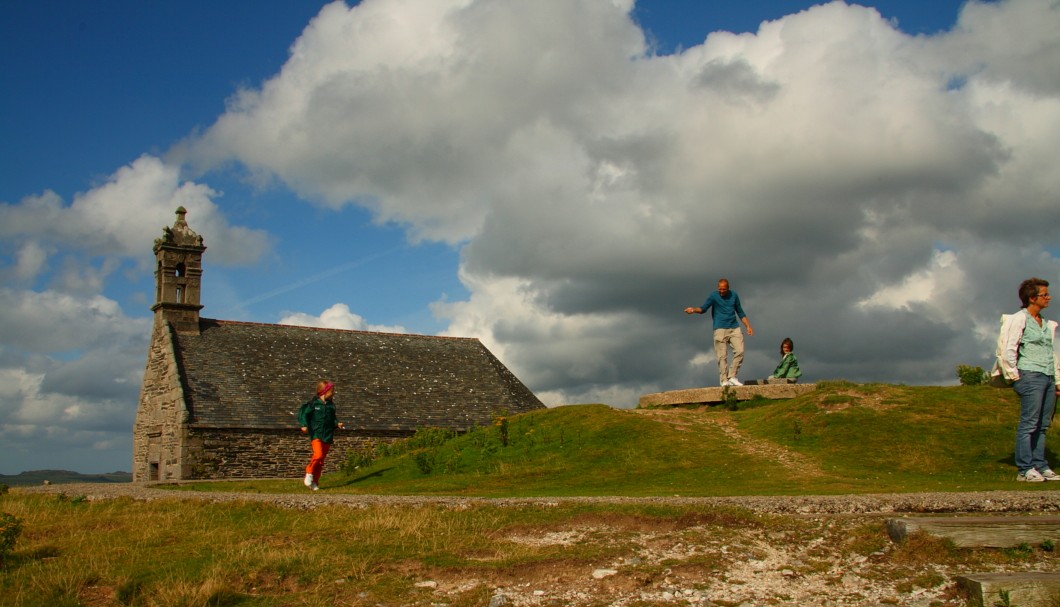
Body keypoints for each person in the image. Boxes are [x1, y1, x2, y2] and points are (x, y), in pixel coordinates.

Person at [993, 278, 1059, 482]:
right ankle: (1025, 469)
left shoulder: (1047, 324)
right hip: (1030, 375)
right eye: (1044, 294)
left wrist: (1057, 379)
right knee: (1029, 423)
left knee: (1043, 424)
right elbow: (1008, 348)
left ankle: (1040, 465)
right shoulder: (1019, 319)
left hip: (1047, 375)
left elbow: (1051, 352)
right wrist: (1013, 375)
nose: (1048, 297)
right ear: (1032, 298)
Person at [685, 278, 754, 386]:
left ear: (728, 288)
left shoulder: (734, 296)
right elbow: (703, 309)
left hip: (734, 327)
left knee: (740, 351)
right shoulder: (713, 296)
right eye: (720, 289)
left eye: (724, 289)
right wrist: (693, 310)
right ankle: (724, 380)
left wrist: (748, 326)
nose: (721, 291)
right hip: (720, 328)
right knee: (722, 356)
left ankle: (732, 376)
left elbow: (740, 312)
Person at [298, 380, 344, 491]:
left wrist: (337, 424)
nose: (333, 393)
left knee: (321, 461)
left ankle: (315, 482)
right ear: (324, 391)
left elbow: (332, 418)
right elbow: (304, 414)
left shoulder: (331, 406)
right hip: (316, 434)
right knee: (317, 455)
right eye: (331, 391)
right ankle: (309, 473)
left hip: (327, 436)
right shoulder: (314, 404)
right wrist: (304, 425)